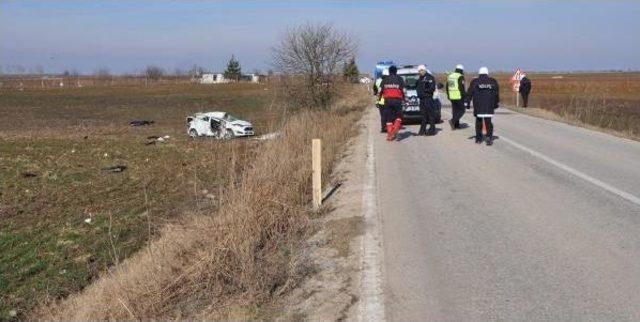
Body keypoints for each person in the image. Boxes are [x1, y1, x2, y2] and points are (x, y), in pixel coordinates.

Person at [466, 67, 500, 146]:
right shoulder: (493, 81)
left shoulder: (475, 81)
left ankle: (478, 138)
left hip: (478, 105)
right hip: (489, 105)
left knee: (479, 121)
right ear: (487, 73)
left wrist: (467, 103)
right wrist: (496, 103)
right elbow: (496, 93)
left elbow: (470, 92)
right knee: (488, 122)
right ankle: (488, 137)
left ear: (479, 73)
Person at [378, 65, 405, 141]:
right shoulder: (400, 79)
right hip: (397, 100)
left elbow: (380, 91)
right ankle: (396, 128)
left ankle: (390, 134)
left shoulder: (385, 80)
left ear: (389, 72)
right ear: (396, 71)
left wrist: (379, 98)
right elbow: (404, 90)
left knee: (389, 118)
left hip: (387, 100)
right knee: (399, 115)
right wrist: (405, 99)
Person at [416, 65, 437, 136]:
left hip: (428, 99)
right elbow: (418, 87)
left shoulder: (430, 78)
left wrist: (425, 90)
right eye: (419, 71)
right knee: (423, 116)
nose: (420, 72)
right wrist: (419, 93)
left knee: (430, 115)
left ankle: (432, 130)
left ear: (424, 70)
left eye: (421, 70)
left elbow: (432, 88)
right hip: (422, 99)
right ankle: (422, 131)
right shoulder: (420, 78)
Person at [446, 64, 467, 130]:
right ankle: (453, 121)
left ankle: (456, 125)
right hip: (458, 96)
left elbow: (447, 87)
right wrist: (464, 97)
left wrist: (448, 95)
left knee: (455, 111)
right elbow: (461, 88)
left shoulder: (450, 76)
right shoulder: (460, 76)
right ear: (461, 70)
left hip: (451, 96)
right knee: (462, 110)